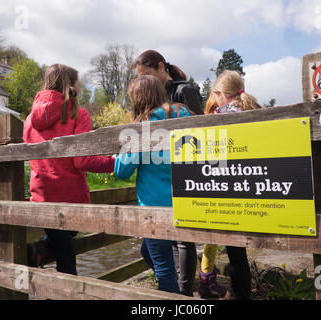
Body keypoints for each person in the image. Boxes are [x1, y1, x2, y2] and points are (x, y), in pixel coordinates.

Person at [23, 64, 115, 275]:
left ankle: (41, 249)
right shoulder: (78, 114)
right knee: (66, 254)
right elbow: (82, 161)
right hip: (69, 194)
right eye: (78, 81)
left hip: (42, 192)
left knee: (60, 239)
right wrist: (113, 163)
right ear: (70, 84)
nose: (81, 86)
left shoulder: (29, 120)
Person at [114, 75, 193, 294]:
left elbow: (122, 171)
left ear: (139, 98)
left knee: (164, 268)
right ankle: (182, 293)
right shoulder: (182, 112)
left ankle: (175, 296)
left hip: (154, 206)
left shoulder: (143, 125)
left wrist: (119, 155)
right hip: (185, 202)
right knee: (148, 253)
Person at [134, 49, 201, 296]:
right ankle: (177, 288)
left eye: (146, 75)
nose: (143, 80)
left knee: (180, 244)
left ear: (160, 68)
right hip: (169, 186)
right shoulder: (173, 106)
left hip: (173, 188)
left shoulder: (184, 93)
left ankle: (180, 291)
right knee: (154, 251)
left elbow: (200, 133)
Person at [199, 70, 261, 300]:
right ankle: (239, 294)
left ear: (221, 94)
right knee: (238, 254)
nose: (214, 99)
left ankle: (215, 286)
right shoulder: (252, 112)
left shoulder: (220, 116)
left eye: (215, 94)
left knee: (232, 250)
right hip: (248, 187)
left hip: (224, 190)